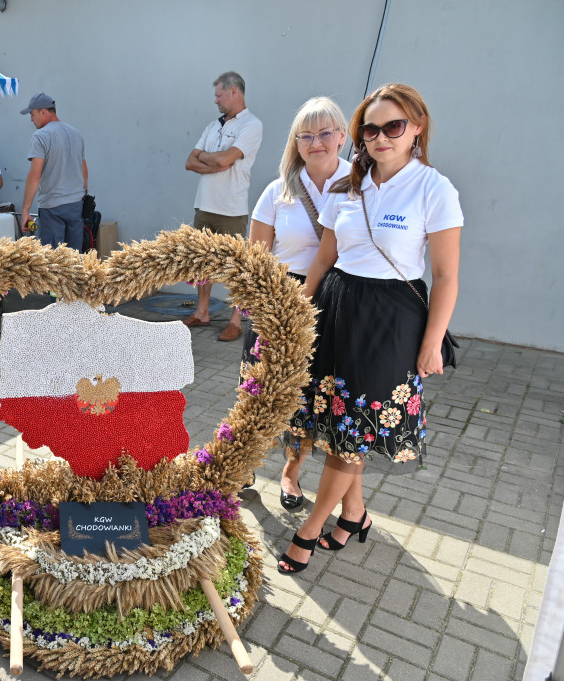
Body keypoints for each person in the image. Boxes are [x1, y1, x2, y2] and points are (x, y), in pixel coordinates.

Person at [277, 84, 462, 573]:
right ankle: (355, 515)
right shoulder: (348, 186)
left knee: (355, 430)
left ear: (416, 129)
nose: (381, 137)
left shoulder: (433, 189)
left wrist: (431, 345)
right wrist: (298, 311)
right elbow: (324, 257)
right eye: (371, 129)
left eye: (393, 126)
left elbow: (445, 276)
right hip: (337, 307)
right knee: (339, 422)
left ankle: (309, 531)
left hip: (391, 319)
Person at [241, 97, 350, 509]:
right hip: (280, 296)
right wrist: (258, 308)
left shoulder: (360, 187)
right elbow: (256, 257)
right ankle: (244, 462)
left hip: (333, 299)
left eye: (325, 133)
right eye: (306, 135)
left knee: (306, 394)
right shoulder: (278, 191)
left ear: (342, 137)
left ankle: (291, 472)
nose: (315, 142)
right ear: (296, 142)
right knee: (259, 387)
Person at [183, 72, 263, 341]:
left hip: (231, 209)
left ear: (233, 92)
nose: (215, 100)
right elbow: (189, 162)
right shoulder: (213, 126)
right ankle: (202, 312)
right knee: (201, 265)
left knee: (236, 268)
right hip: (204, 206)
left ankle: (236, 321)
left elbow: (226, 160)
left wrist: (207, 158)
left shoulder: (251, 125)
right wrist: (212, 160)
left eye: (219, 94)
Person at [19, 93, 88, 250]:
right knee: (74, 260)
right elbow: (84, 170)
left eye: (32, 114)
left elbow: (35, 176)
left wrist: (25, 210)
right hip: (76, 206)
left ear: (43, 111)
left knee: (53, 264)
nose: (31, 119)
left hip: (52, 208)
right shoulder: (76, 134)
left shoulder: (40, 136)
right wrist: (83, 196)